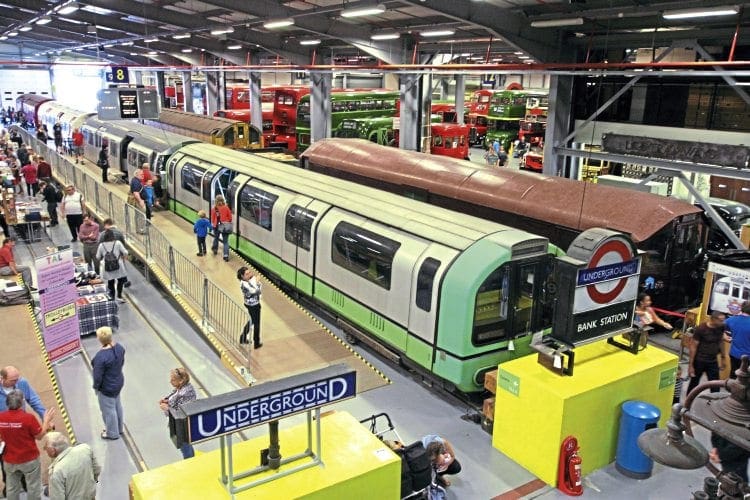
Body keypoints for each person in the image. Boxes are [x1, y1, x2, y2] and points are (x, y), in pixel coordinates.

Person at [0, 390, 55, 500]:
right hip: (29, 459)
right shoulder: (28, 418)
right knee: (33, 487)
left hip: (9, 460)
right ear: (21, 403)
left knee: (12, 488)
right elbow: (39, 436)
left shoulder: (1, 417)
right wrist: (46, 421)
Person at [91, 326, 125, 440]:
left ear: (99, 339)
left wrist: (96, 388)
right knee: (117, 405)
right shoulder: (119, 348)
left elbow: (97, 376)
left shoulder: (100, 357)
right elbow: (121, 362)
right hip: (118, 382)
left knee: (108, 410)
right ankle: (119, 429)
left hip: (107, 388)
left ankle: (112, 433)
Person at [44, 431, 100, 500]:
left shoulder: (56, 472)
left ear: (53, 450)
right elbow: (97, 470)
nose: (45, 450)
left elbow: (57, 497)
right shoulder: (85, 449)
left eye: (45, 448)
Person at [158, 367, 197, 459]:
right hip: (178, 424)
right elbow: (174, 397)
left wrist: (167, 409)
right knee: (185, 445)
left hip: (182, 425)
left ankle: (190, 462)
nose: (170, 381)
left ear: (181, 380)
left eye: (173, 380)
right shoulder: (180, 388)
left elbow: (180, 413)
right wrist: (167, 400)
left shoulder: (186, 393)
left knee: (184, 445)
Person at [687, 311, 727, 395]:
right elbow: (693, 347)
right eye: (721, 320)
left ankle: (715, 402)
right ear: (713, 319)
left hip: (712, 361)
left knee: (715, 385)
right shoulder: (701, 329)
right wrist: (691, 365)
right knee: (694, 383)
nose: (723, 322)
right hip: (699, 360)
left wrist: (723, 357)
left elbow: (721, 341)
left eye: (723, 320)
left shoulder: (721, 327)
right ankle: (688, 403)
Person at [96, 229, 128, 303]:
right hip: (118, 266)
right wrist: (123, 257)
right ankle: (119, 296)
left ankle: (112, 297)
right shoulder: (118, 243)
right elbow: (125, 252)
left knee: (111, 282)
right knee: (120, 281)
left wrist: (103, 258)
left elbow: (98, 257)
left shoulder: (101, 245)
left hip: (107, 268)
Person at [724, 301, 750, 379]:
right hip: (748, 358)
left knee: (734, 375)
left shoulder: (732, 320)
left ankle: (732, 390)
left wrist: (724, 337)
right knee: (746, 379)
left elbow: (718, 328)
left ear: (741, 308)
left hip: (734, 355)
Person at [237, 266, 262, 348]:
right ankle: (256, 342)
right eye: (247, 274)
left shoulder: (252, 279)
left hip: (255, 303)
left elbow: (259, 288)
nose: (249, 275)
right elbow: (255, 292)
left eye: (249, 272)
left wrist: (257, 284)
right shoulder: (244, 284)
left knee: (252, 321)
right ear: (242, 276)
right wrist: (257, 283)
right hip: (252, 305)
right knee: (256, 323)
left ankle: (243, 337)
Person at [211, 195, 233, 261]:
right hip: (225, 226)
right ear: (223, 200)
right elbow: (230, 218)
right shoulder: (226, 208)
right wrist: (226, 222)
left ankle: (215, 250)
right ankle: (226, 256)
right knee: (225, 242)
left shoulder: (214, 209)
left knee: (216, 238)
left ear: (216, 201)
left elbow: (212, 219)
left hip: (217, 226)